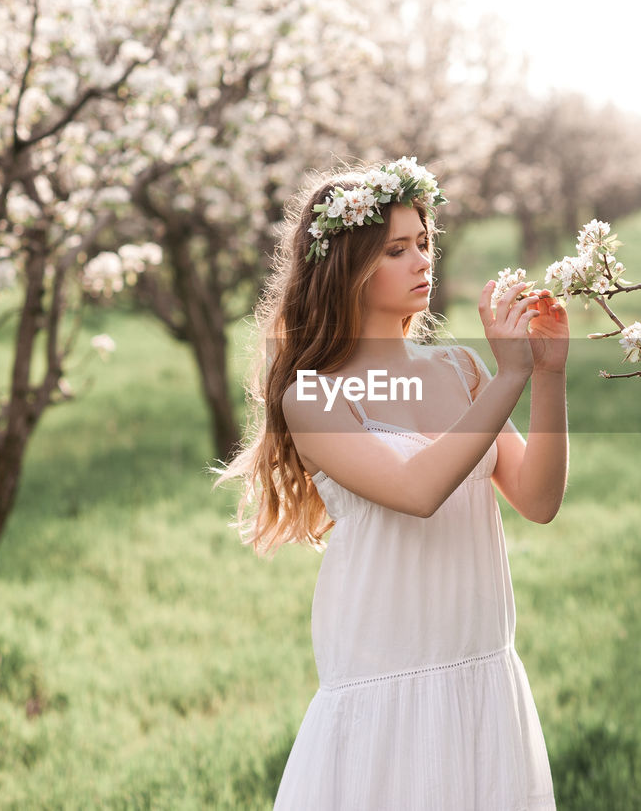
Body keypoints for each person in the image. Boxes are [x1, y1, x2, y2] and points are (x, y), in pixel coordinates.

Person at [218, 158, 569, 809]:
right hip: (388, 680)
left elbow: (539, 501)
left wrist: (546, 375)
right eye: (396, 250)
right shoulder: (314, 397)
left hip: (482, 665)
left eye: (425, 244)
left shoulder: (460, 369)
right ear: (347, 269)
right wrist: (510, 376)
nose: (422, 262)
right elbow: (417, 490)